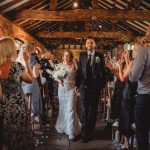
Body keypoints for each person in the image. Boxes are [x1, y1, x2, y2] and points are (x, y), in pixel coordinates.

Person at [0, 36, 34, 150]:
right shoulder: (16, 66)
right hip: (18, 107)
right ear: (10, 49)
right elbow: (30, 79)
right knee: (19, 136)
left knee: (6, 137)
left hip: (3, 106)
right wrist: (27, 62)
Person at [75, 37, 106, 142]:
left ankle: (90, 133)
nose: (89, 44)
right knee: (84, 110)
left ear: (94, 44)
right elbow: (79, 70)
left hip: (95, 87)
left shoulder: (100, 56)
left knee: (93, 111)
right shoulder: (82, 55)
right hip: (84, 86)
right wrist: (77, 85)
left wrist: (101, 85)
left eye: (91, 42)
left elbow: (103, 71)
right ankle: (84, 134)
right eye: (88, 42)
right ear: (85, 44)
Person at [129, 25, 150, 150]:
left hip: (145, 97)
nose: (146, 32)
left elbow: (133, 77)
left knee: (141, 133)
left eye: (148, 29)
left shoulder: (145, 52)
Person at [55, 50, 80, 140]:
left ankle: (71, 131)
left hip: (71, 89)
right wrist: (59, 80)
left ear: (71, 57)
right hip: (62, 89)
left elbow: (79, 75)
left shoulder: (74, 64)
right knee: (63, 108)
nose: (66, 57)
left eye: (68, 56)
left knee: (71, 109)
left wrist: (78, 86)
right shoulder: (59, 65)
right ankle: (64, 126)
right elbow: (55, 76)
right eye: (65, 55)